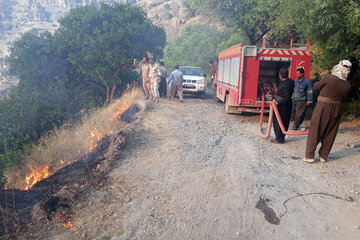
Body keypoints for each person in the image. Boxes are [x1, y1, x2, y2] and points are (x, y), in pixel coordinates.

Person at [304, 60, 352, 163]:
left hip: (323, 106)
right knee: (331, 132)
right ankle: (323, 156)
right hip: (337, 108)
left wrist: (322, 80)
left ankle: (309, 156)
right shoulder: (347, 85)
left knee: (315, 129)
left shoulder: (329, 78)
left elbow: (316, 87)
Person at [271, 68, 294, 144]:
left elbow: (284, 98)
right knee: (285, 122)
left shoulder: (282, 86)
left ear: (280, 76)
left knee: (278, 122)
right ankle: (282, 137)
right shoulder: (291, 82)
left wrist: (275, 98)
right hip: (289, 106)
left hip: (282, 107)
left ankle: (279, 139)